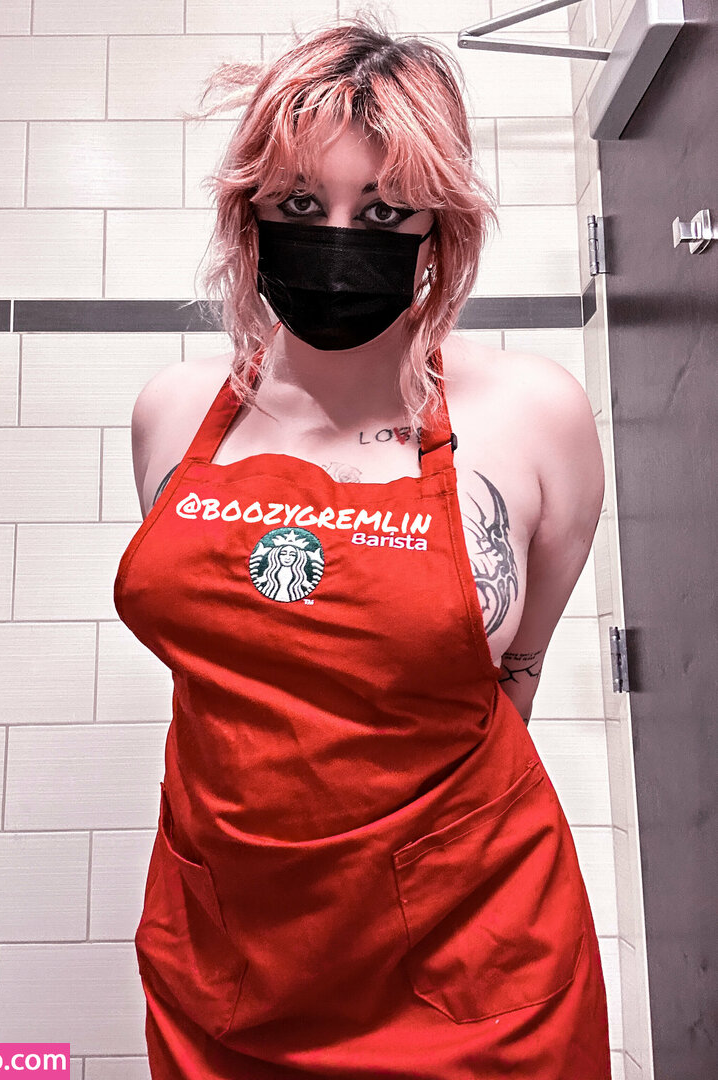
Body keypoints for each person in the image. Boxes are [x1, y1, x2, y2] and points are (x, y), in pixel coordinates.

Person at [113, 13, 611, 1079]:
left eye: (384, 212)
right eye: (302, 205)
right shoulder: (172, 412)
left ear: (438, 228)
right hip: (230, 955)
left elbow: (514, 670)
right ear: (249, 212)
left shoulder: (537, 415)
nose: (338, 240)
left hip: (471, 959)